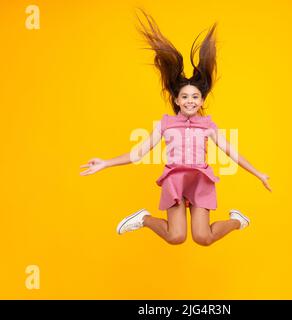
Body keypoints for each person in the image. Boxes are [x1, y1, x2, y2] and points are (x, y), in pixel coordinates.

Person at [80, 9, 271, 246]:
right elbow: (138, 153)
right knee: (176, 236)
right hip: (175, 180)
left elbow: (232, 153)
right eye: (185, 97)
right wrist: (106, 163)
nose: (190, 100)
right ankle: (144, 219)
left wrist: (258, 173)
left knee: (203, 237)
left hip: (200, 180)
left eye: (195, 97)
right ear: (177, 100)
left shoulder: (207, 126)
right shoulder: (165, 124)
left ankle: (237, 221)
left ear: (201, 101)